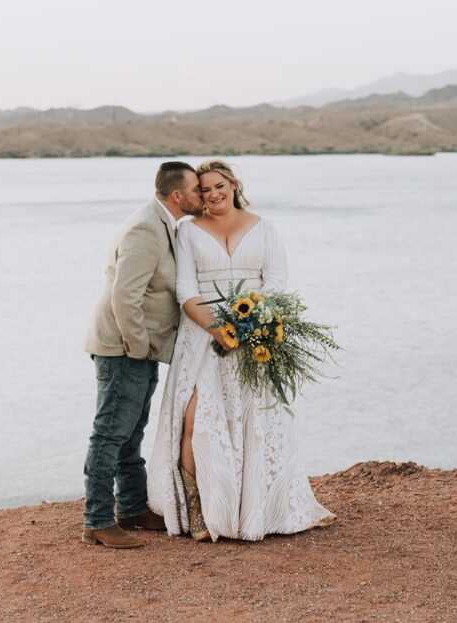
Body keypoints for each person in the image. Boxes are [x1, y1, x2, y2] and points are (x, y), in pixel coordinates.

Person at [148, 159, 335, 541]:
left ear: (233, 185)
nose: (213, 194)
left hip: (255, 335)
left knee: (254, 418)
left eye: (219, 185)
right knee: (195, 419)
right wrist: (218, 329)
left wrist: (253, 322)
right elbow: (185, 289)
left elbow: (277, 279)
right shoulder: (187, 231)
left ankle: (256, 510)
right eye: (203, 190)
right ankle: (200, 509)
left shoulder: (263, 227)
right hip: (202, 336)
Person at [82, 161, 204, 549]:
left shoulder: (163, 223)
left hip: (139, 348)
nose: (203, 195)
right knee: (110, 433)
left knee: (132, 430)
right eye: (197, 189)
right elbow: (125, 296)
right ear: (177, 195)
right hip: (122, 348)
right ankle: (97, 521)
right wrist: (138, 349)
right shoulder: (145, 228)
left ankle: (131, 508)